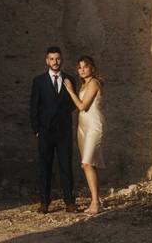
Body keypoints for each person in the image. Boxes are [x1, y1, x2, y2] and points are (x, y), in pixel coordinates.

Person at [29, 46, 77, 213]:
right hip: (45, 132)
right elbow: (34, 106)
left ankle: (70, 202)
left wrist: (61, 115)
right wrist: (37, 129)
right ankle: (44, 202)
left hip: (64, 131)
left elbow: (73, 103)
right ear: (46, 60)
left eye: (57, 58)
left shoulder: (70, 79)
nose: (55, 62)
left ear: (61, 59)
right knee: (45, 167)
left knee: (66, 166)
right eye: (51, 59)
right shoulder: (39, 81)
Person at [62, 55, 105, 215]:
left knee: (87, 163)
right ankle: (96, 200)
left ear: (92, 68)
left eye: (85, 66)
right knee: (88, 164)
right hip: (82, 126)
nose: (82, 70)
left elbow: (82, 106)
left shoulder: (94, 82)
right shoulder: (83, 84)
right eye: (79, 67)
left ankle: (95, 203)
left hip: (93, 124)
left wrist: (70, 90)